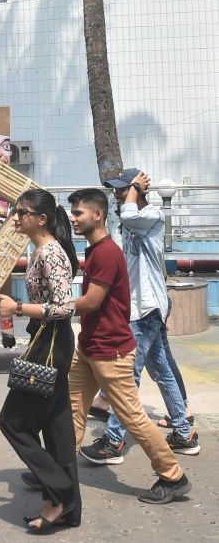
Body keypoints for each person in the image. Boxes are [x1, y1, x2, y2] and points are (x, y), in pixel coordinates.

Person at [66, 187, 191, 504]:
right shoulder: (95, 250)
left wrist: (48, 309)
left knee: (133, 417)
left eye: (78, 212)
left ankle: (172, 475)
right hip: (91, 347)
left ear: (97, 214)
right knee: (72, 409)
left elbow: (92, 302)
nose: (73, 218)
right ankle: (58, 470)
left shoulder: (107, 253)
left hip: (112, 351)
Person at [0, 189, 81, 531]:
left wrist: (16, 308)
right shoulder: (40, 250)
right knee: (58, 427)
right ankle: (67, 509)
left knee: (12, 422)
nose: (16, 218)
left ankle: (60, 491)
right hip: (47, 340)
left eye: (22, 212)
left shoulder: (49, 253)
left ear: (40, 219)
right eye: (16, 212)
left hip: (52, 342)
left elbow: (65, 306)